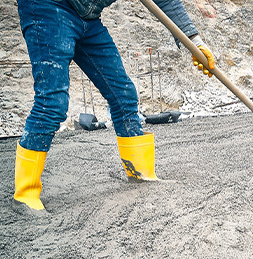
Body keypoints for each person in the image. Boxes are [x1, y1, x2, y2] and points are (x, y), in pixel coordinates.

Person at [14, 0, 214, 212]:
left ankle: (140, 173)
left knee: (124, 95)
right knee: (52, 102)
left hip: (88, 17)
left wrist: (194, 41)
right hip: (48, 8)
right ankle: (26, 194)